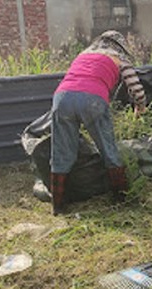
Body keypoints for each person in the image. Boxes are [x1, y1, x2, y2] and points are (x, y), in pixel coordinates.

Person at [50, 30, 146, 215]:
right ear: (119, 46)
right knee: (109, 150)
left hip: (62, 99)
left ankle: (58, 206)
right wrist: (140, 105)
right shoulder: (118, 57)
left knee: (61, 153)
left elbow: (75, 80)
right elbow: (135, 87)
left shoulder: (83, 55)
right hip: (92, 100)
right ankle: (121, 198)